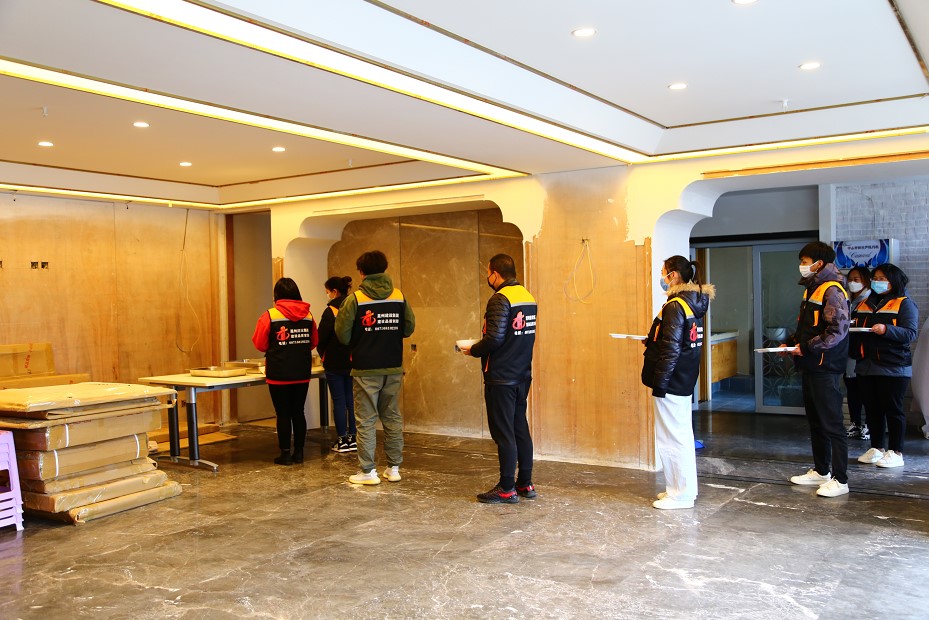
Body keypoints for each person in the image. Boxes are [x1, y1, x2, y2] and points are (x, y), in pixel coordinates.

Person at [460, 254, 538, 504]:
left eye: (488, 273)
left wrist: (473, 350)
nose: (487, 277)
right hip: (522, 374)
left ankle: (506, 488)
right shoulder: (527, 296)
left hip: (502, 377)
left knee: (504, 433)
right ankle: (525, 483)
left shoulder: (500, 299)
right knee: (519, 428)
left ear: (495, 273)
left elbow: (494, 338)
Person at [334, 251, 415, 485]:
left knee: (366, 421)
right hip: (392, 367)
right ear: (385, 269)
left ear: (361, 272)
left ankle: (368, 472)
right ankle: (394, 468)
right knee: (392, 418)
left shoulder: (355, 299)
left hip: (365, 368)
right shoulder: (399, 296)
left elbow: (342, 335)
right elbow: (408, 328)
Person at [641, 256, 714, 510]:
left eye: (663, 272)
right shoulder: (692, 303)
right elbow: (679, 341)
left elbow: (672, 348)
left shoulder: (675, 305)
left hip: (671, 380)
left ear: (673, 275)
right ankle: (679, 489)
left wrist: (660, 383)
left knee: (672, 438)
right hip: (684, 377)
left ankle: (681, 494)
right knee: (678, 435)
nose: (661, 277)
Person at [785, 242, 850, 497]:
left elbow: (837, 331)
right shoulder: (812, 288)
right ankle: (822, 471)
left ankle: (840, 479)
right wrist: (791, 343)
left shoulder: (832, 290)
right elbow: (809, 328)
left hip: (826, 366)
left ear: (819, 263)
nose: (801, 266)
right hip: (811, 365)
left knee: (832, 424)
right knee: (816, 422)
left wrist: (807, 347)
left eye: (805, 261)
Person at [850, 263, 918, 470]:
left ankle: (896, 452)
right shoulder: (864, 303)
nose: (877, 282)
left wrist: (886, 329)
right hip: (866, 365)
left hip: (894, 367)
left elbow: (910, 333)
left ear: (893, 281)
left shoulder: (904, 303)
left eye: (882, 279)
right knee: (872, 410)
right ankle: (876, 448)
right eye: (875, 278)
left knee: (893, 410)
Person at [252, 277, 318, 466]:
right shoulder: (308, 316)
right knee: (298, 411)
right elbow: (314, 342)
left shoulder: (270, 315)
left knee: (282, 413)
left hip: (279, 373)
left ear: (277, 296)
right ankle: (299, 453)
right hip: (301, 371)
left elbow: (259, 344)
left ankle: (285, 454)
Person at [316, 275, 357, 454]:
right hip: (353, 361)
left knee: (339, 401)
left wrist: (323, 355)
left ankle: (342, 440)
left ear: (334, 291)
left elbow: (321, 339)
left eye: (327, 292)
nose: (327, 295)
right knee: (351, 401)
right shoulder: (355, 307)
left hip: (334, 363)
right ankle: (354, 438)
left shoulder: (330, 311)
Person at [844, 266, 871, 441]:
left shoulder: (870, 300)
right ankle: (855, 423)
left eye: (857, 279)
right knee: (852, 389)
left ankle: (868, 424)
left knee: (866, 390)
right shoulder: (848, 299)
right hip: (848, 350)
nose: (852, 283)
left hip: (864, 351)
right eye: (850, 279)